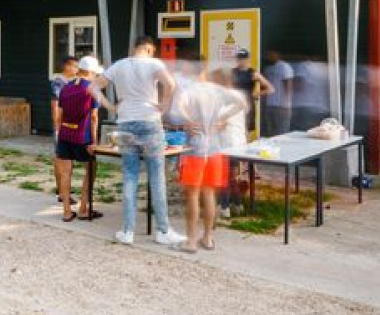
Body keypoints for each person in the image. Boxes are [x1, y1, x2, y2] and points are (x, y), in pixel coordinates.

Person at [92, 36, 186, 246]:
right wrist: (164, 105)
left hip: (125, 123)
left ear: (135, 48)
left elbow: (92, 87)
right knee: (156, 177)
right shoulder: (154, 63)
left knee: (130, 176)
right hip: (149, 122)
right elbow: (170, 84)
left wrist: (111, 107)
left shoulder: (118, 66)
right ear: (149, 49)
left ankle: (127, 231)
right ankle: (163, 231)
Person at [175, 68, 247, 252]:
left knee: (192, 195)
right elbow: (242, 103)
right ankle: (207, 238)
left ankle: (191, 241)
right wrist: (222, 117)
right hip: (215, 149)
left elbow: (177, 109)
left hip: (195, 149)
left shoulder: (189, 90)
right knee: (208, 194)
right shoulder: (217, 91)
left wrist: (187, 120)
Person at [55, 55, 103, 222]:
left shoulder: (66, 87)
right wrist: (95, 141)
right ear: (89, 72)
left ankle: (67, 212)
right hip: (83, 136)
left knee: (65, 173)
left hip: (64, 135)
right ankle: (83, 208)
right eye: (95, 73)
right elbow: (94, 117)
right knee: (91, 168)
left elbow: (59, 115)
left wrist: (59, 132)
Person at [50, 56, 80, 205]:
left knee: (67, 159)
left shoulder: (74, 81)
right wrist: (57, 127)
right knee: (61, 158)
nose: (76, 69)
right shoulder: (58, 82)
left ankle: (63, 190)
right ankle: (62, 192)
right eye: (74, 66)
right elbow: (55, 105)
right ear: (67, 66)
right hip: (62, 125)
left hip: (71, 125)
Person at [231, 49, 274, 138]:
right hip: (234, 104)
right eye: (239, 58)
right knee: (233, 130)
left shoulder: (253, 73)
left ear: (248, 59)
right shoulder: (232, 72)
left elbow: (270, 89)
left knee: (246, 131)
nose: (241, 61)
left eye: (243, 58)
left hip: (247, 105)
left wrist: (257, 93)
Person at [262, 50, 295, 136]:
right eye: (268, 55)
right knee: (270, 131)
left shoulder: (284, 67)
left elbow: (289, 85)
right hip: (269, 104)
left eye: (271, 54)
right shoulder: (267, 68)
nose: (269, 56)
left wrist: (286, 104)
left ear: (278, 54)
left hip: (282, 106)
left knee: (282, 132)